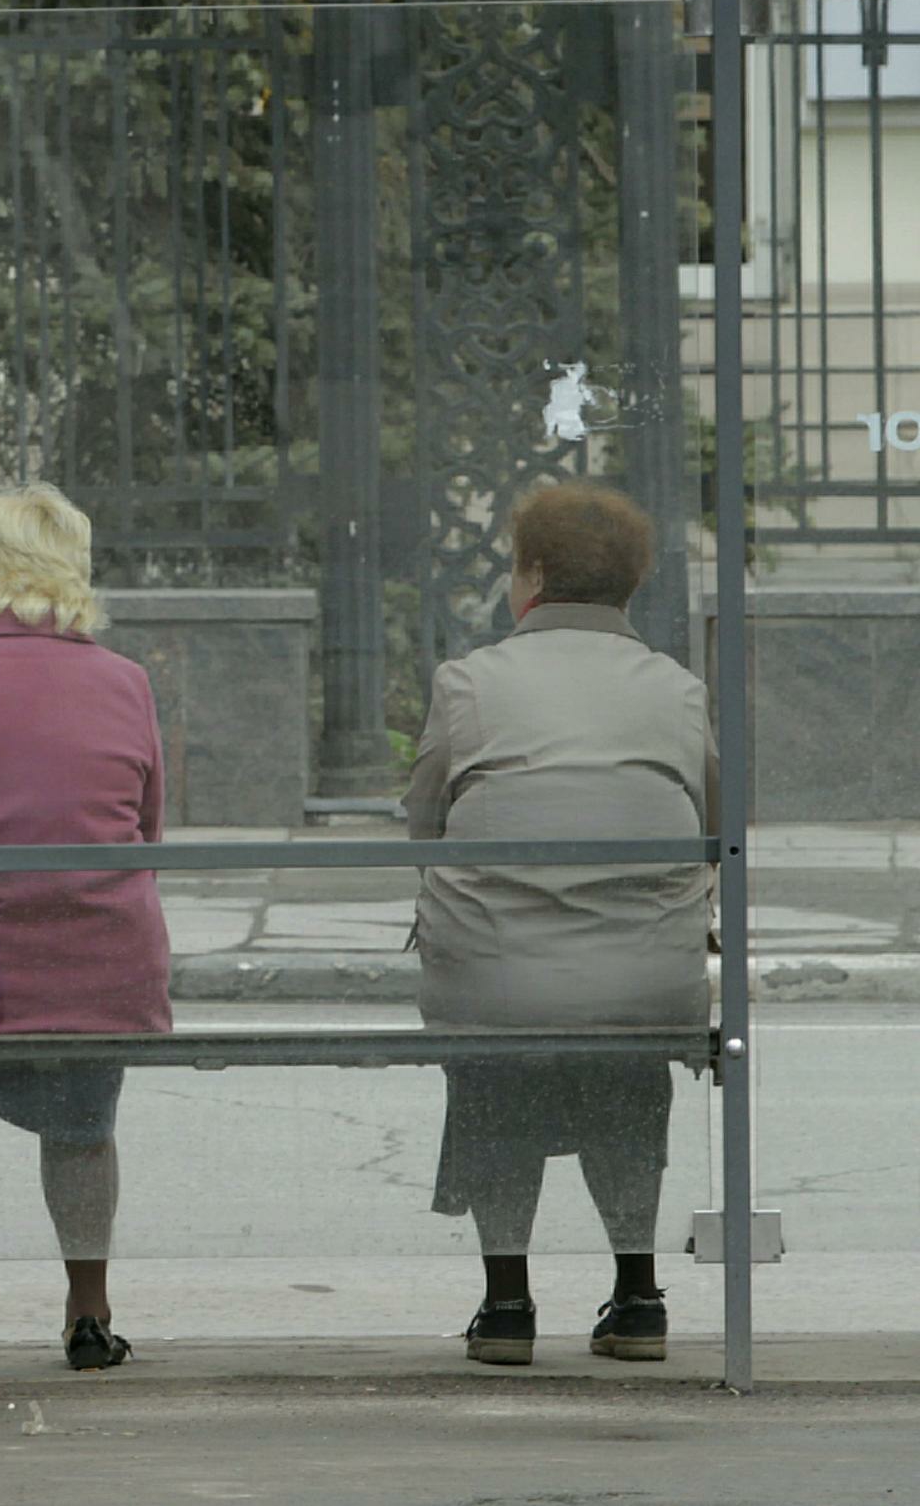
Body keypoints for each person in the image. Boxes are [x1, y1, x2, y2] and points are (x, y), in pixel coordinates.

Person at [404, 479, 714, 1367]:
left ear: (531, 575)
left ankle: (506, 1305)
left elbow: (424, 824)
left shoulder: (468, 682)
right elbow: (715, 820)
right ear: (629, 582)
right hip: (644, 984)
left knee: (497, 1078)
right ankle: (638, 1294)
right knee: (626, 1080)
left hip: (495, 980)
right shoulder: (677, 689)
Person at [0, 482, 166, 1380]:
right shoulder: (126, 680)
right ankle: (90, 1315)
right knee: (84, 1128)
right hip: (99, 964)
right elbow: (148, 824)